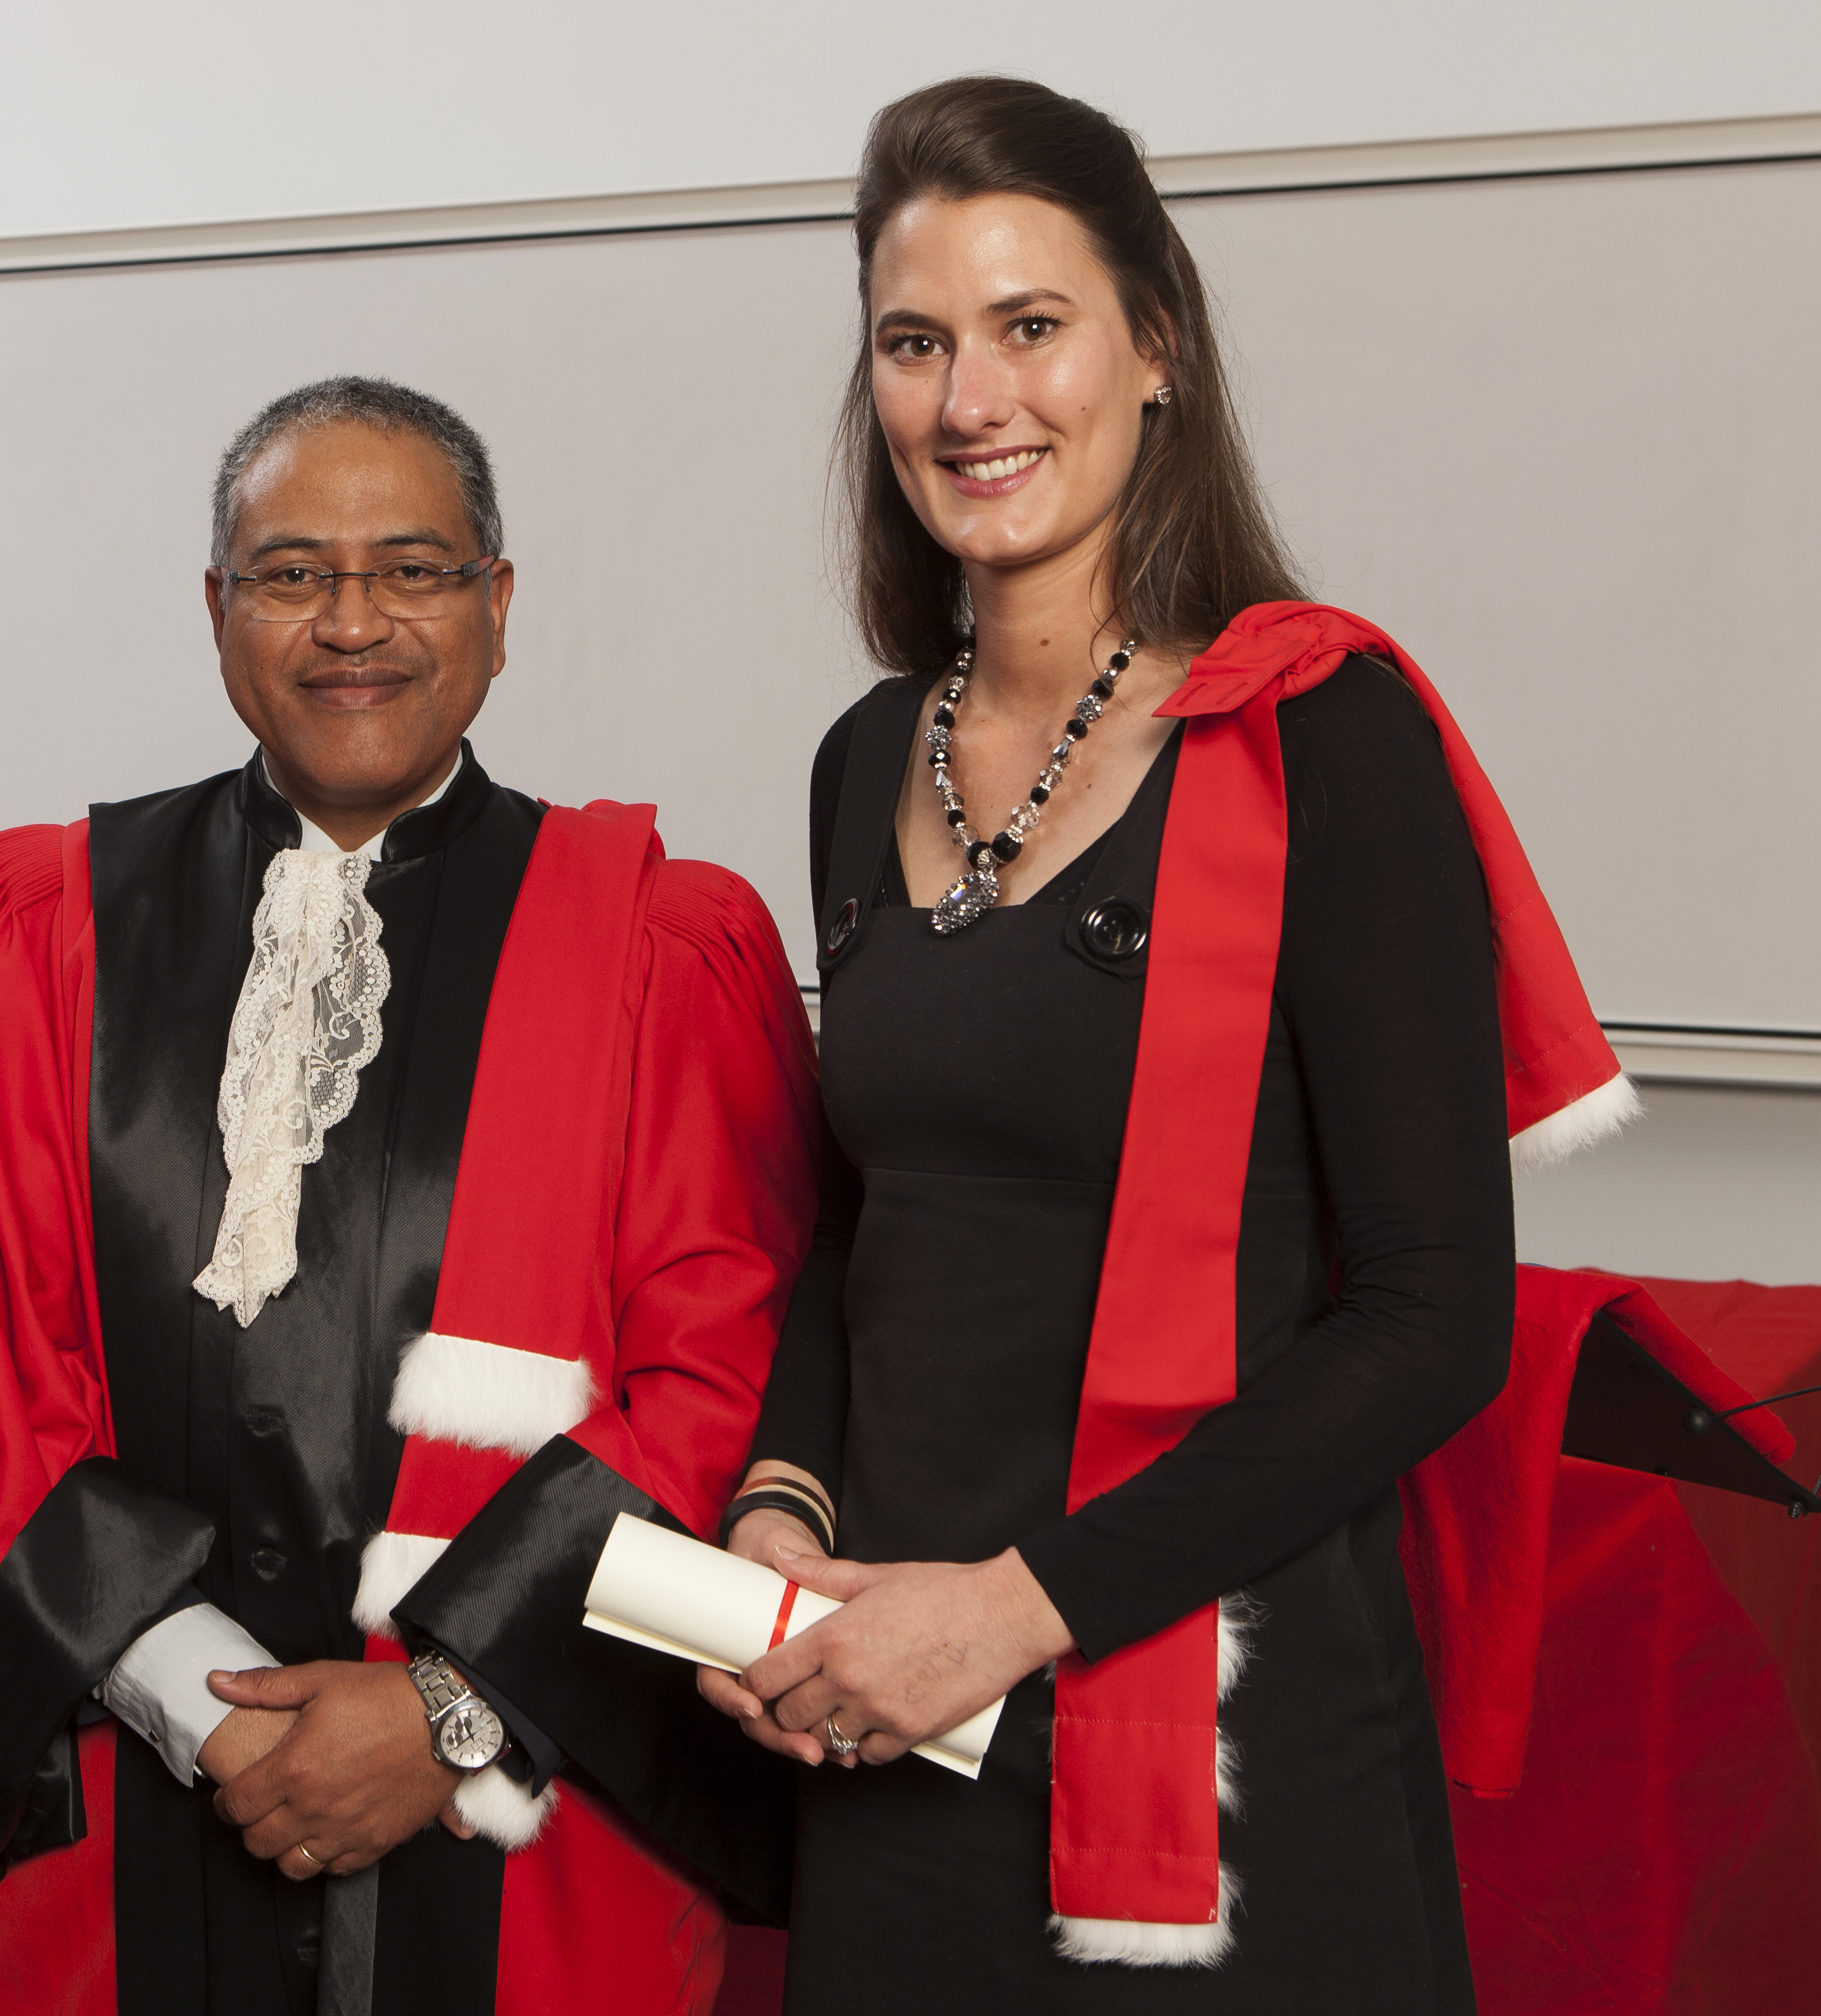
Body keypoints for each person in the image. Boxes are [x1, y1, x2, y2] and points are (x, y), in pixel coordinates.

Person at [696, 78, 1633, 2012]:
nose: (974, 401)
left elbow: (1436, 1312)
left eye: (1032, 328)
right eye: (915, 342)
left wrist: (1012, 1614)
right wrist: (778, 1513)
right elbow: (874, 1220)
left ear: (1158, 351)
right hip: (884, 1715)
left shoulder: (1325, 738)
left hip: (1222, 1739)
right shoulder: (861, 760)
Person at [0, 376, 821, 2015]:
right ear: (216, 608)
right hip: (130, 1781)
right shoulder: (43, 930)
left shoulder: (656, 949)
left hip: (530, 1806)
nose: (352, 624)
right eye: (291, 574)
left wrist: (447, 1712)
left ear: (499, 605)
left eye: (413, 569)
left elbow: (717, 1383)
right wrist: (207, 1704)